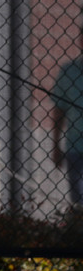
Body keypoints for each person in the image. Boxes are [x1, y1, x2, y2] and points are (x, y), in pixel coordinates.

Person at [52, 41, 83, 207]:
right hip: (75, 146)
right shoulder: (69, 71)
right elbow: (59, 111)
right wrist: (55, 145)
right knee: (78, 201)